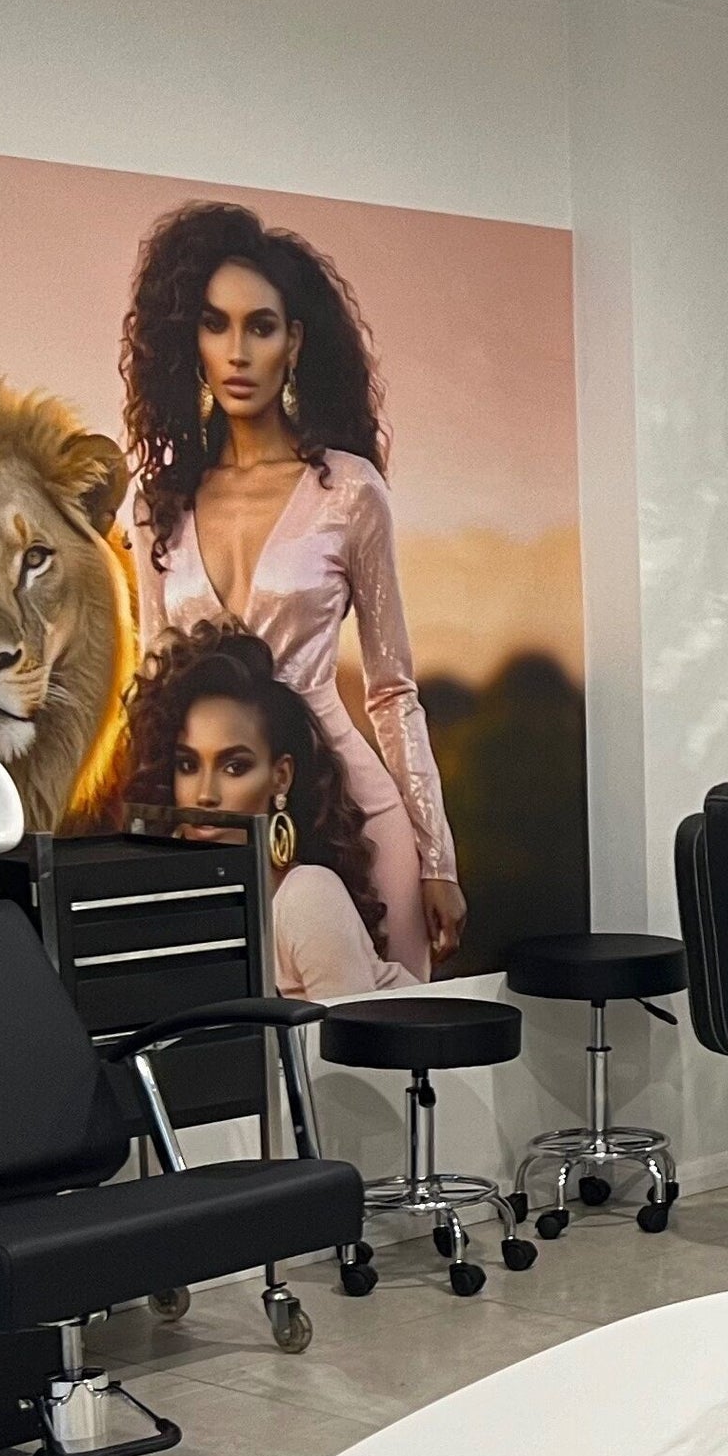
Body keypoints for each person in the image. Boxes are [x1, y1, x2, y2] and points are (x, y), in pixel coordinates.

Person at [120, 201, 462, 976]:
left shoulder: (350, 492)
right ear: (191, 341)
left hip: (354, 817)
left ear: (294, 342)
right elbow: (153, 685)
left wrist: (437, 855)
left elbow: (392, 692)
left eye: (261, 326)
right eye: (216, 324)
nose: (238, 352)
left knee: (382, 1036)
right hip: (217, 823)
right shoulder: (156, 504)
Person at [120, 623, 405, 1001]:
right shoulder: (176, 905)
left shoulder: (307, 896)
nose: (205, 795)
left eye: (234, 767)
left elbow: (352, 1040)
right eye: (188, 765)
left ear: (280, 777)